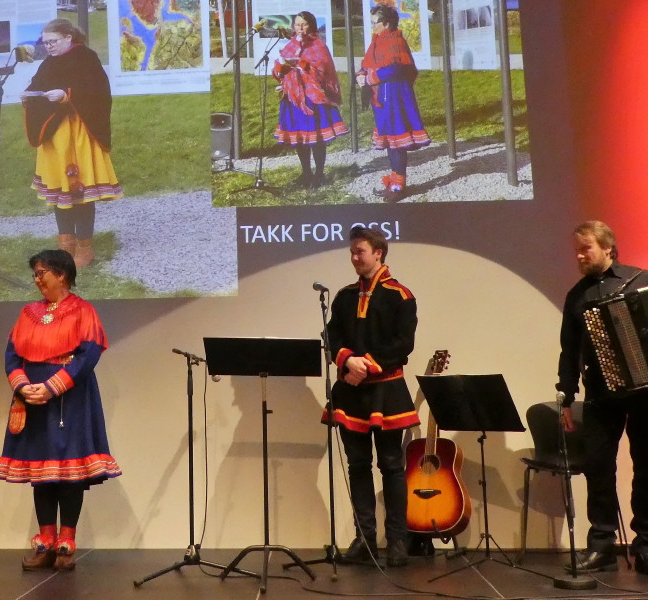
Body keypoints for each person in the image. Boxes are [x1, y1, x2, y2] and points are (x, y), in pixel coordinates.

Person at [556, 220, 648, 578]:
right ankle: (602, 545)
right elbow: (569, 350)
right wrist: (566, 395)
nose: (578, 255)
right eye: (576, 249)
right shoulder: (577, 295)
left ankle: (646, 548)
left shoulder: (645, 279)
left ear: (607, 247)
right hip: (602, 394)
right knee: (598, 468)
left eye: (585, 248)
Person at [0, 249, 121, 571]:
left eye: (41, 273)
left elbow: (89, 355)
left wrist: (53, 386)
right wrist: (23, 386)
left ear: (61, 274)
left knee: (69, 470)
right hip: (32, 397)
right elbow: (12, 355)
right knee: (41, 471)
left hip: (70, 397)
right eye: (35, 274)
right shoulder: (28, 313)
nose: (37, 280)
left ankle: (67, 541)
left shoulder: (83, 311)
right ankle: (46, 540)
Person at [323, 226, 419, 567]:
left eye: (359, 251)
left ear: (378, 253)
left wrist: (368, 365)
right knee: (358, 465)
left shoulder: (400, 295)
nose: (354, 258)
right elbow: (331, 334)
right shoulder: (345, 296)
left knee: (392, 466)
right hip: (352, 391)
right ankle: (365, 539)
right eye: (352, 252)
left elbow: (402, 344)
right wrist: (348, 359)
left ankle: (397, 542)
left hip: (387, 391)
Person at [22, 19, 121, 268]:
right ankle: (65, 246)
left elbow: (98, 92)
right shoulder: (49, 62)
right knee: (60, 191)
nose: (49, 47)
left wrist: (67, 96)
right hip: (55, 137)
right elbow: (38, 85)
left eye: (53, 41)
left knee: (81, 191)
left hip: (80, 133)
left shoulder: (86, 57)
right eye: (45, 43)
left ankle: (85, 249)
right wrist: (29, 95)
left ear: (68, 36)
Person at [356, 5, 431, 202]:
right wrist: (361, 74)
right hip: (381, 97)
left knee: (397, 140)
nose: (373, 26)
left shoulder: (396, 41)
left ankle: (398, 185)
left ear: (387, 23)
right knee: (390, 139)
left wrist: (371, 77)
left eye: (375, 23)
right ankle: (394, 179)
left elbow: (396, 69)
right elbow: (367, 63)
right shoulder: (377, 41)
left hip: (395, 97)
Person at [272, 11, 347, 190]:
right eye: (297, 24)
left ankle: (319, 173)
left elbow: (323, 70)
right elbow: (281, 66)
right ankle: (306, 173)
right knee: (299, 137)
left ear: (311, 26)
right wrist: (279, 70)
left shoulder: (318, 45)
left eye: (304, 24)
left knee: (316, 138)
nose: (300, 28)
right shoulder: (290, 44)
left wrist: (303, 67)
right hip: (293, 97)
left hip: (312, 97)